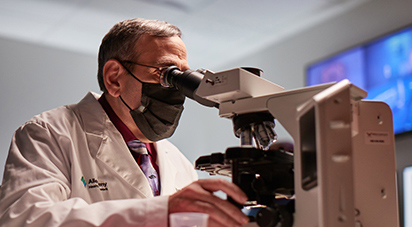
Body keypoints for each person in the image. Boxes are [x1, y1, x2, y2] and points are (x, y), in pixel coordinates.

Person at [0, 18, 249, 227]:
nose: (177, 91)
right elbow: (25, 219)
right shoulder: (49, 134)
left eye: (181, 76)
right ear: (114, 78)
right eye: (166, 74)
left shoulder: (176, 161)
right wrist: (159, 211)